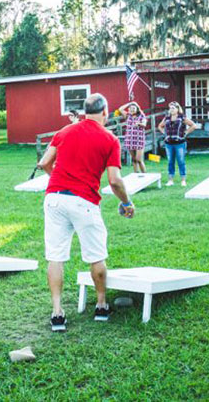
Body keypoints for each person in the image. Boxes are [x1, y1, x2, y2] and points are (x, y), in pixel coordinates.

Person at [38, 93, 135, 332]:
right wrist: (127, 203)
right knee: (96, 255)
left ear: (84, 112)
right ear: (105, 112)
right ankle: (101, 306)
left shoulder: (65, 131)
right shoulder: (110, 138)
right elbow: (114, 181)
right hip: (84, 202)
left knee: (55, 257)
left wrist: (59, 180)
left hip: (54, 199)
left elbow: (44, 162)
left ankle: (57, 313)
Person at [157, 102, 196, 187]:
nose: (171, 109)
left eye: (173, 108)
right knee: (170, 161)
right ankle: (170, 180)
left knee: (181, 161)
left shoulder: (182, 117)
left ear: (178, 109)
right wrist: (164, 133)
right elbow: (160, 126)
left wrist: (186, 132)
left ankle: (183, 180)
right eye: (170, 108)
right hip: (169, 143)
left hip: (179, 143)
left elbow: (193, 125)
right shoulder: (167, 118)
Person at [119, 102, 148, 173]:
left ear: (137, 109)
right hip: (130, 139)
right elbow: (120, 109)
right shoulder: (127, 115)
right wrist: (130, 103)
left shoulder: (141, 116)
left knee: (139, 159)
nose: (132, 110)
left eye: (134, 108)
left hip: (139, 140)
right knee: (134, 159)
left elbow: (144, 124)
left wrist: (139, 124)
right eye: (131, 108)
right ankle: (136, 174)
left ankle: (145, 175)